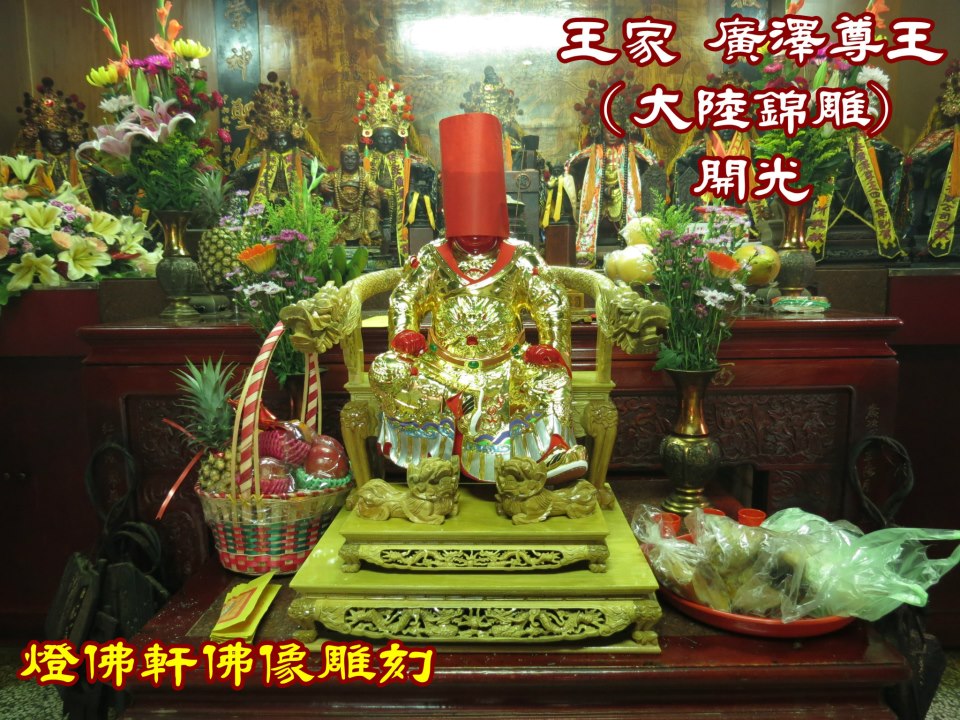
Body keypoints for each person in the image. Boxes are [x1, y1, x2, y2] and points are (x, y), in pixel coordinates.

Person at [368, 112, 587, 484]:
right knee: (387, 369)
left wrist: (550, 346)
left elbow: (551, 300)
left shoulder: (521, 256)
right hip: (441, 364)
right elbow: (405, 297)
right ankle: (427, 460)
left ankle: (552, 452)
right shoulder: (433, 256)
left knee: (552, 379)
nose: (473, 236)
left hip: (507, 364)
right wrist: (405, 333)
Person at [564, 69, 661, 267]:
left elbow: (653, 162)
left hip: (623, 197)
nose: (612, 133)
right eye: (608, 128)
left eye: (616, 128)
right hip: (599, 199)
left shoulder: (632, 149)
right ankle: (588, 250)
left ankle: (633, 250)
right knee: (593, 210)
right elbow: (571, 162)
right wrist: (567, 174)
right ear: (600, 128)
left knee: (627, 215)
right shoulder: (595, 150)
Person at [355, 77, 431, 260]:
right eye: (381, 137)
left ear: (396, 138)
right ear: (373, 138)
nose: (385, 141)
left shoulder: (404, 158)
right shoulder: (365, 158)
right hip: (374, 205)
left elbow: (426, 168)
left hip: (400, 204)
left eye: (389, 137)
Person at [237, 72, 326, 205]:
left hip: (293, 203)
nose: (280, 143)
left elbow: (320, 169)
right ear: (270, 140)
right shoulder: (264, 156)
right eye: (276, 140)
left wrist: (325, 180)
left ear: (291, 138)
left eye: (284, 139)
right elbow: (247, 168)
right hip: (268, 202)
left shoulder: (299, 155)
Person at [14, 77, 91, 201]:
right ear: (42, 142)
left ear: (68, 140)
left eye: (59, 140)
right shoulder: (37, 159)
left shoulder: (74, 159)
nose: (55, 144)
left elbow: (89, 175)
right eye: (49, 141)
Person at [320, 144, 383, 247]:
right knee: (325, 211)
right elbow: (323, 184)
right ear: (341, 160)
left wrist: (373, 202)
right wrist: (322, 187)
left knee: (372, 212)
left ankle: (372, 235)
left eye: (353, 158)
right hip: (339, 213)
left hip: (359, 213)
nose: (350, 161)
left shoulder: (364, 175)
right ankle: (333, 237)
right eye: (346, 158)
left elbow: (373, 192)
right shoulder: (335, 175)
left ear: (358, 159)